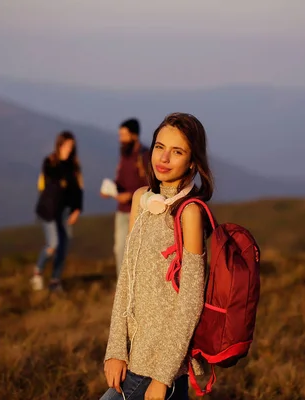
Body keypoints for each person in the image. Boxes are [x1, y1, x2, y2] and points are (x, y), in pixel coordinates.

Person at [101, 113, 214, 400]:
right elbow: (126, 278)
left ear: (192, 161)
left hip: (161, 370)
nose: (163, 158)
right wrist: (115, 349)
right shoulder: (141, 199)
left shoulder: (190, 213)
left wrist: (162, 378)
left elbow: (190, 301)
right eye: (160, 147)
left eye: (177, 151)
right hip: (132, 360)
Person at [31, 131, 83, 292]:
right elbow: (53, 184)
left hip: (64, 211)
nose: (68, 149)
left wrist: (77, 210)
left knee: (63, 247)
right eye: (66, 146)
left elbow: (78, 190)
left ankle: (55, 280)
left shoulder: (73, 166)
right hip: (49, 211)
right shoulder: (50, 162)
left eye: (71, 147)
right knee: (53, 244)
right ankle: (38, 272)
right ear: (59, 145)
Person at [101, 118, 149, 276]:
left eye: (123, 135)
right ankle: (122, 284)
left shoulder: (144, 156)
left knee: (138, 248)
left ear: (134, 135)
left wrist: (130, 195)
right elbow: (121, 179)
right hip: (121, 210)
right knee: (119, 248)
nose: (120, 138)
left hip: (137, 210)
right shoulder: (124, 155)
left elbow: (150, 184)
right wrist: (110, 189)